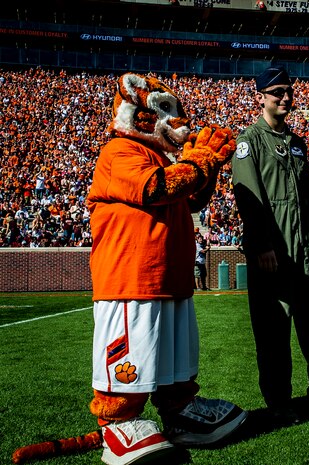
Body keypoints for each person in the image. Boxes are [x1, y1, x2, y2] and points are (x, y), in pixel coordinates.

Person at [87, 74, 246, 464]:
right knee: (133, 356)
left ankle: (179, 412)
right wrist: (199, 160)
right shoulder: (119, 151)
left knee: (176, 358)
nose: (178, 123)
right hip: (131, 278)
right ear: (138, 114)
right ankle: (118, 423)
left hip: (169, 278)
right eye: (166, 113)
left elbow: (189, 198)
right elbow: (155, 188)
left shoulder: (161, 155)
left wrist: (208, 168)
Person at [231, 66, 309, 421]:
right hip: (273, 251)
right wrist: (260, 244)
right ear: (260, 98)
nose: (286, 97)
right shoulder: (249, 142)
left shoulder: (297, 143)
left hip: (305, 250)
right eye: (277, 92)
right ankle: (279, 404)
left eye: (288, 91)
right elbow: (249, 197)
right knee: (273, 334)